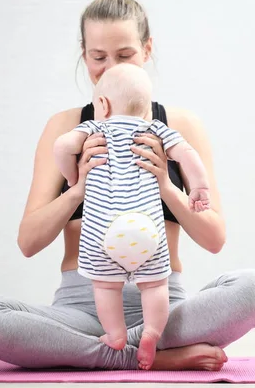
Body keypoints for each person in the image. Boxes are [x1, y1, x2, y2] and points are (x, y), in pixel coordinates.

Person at [0, 0, 255, 371]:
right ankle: (147, 357)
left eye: (124, 55)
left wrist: (165, 186)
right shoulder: (65, 129)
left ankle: (112, 353)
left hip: (164, 307)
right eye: (98, 57)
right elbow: (29, 242)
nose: (109, 68)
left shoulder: (180, 126)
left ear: (147, 49)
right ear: (83, 52)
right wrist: (77, 188)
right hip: (81, 311)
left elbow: (214, 239)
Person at [53, 62, 211, 369]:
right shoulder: (156, 129)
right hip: (146, 231)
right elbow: (188, 154)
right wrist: (199, 188)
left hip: (103, 231)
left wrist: (73, 178)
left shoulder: (93, 129)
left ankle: (115, 336)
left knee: (105, 286)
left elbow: (62, 146)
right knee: (154, 285)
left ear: (103, 104)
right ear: (147, 108)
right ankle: (152, 331)